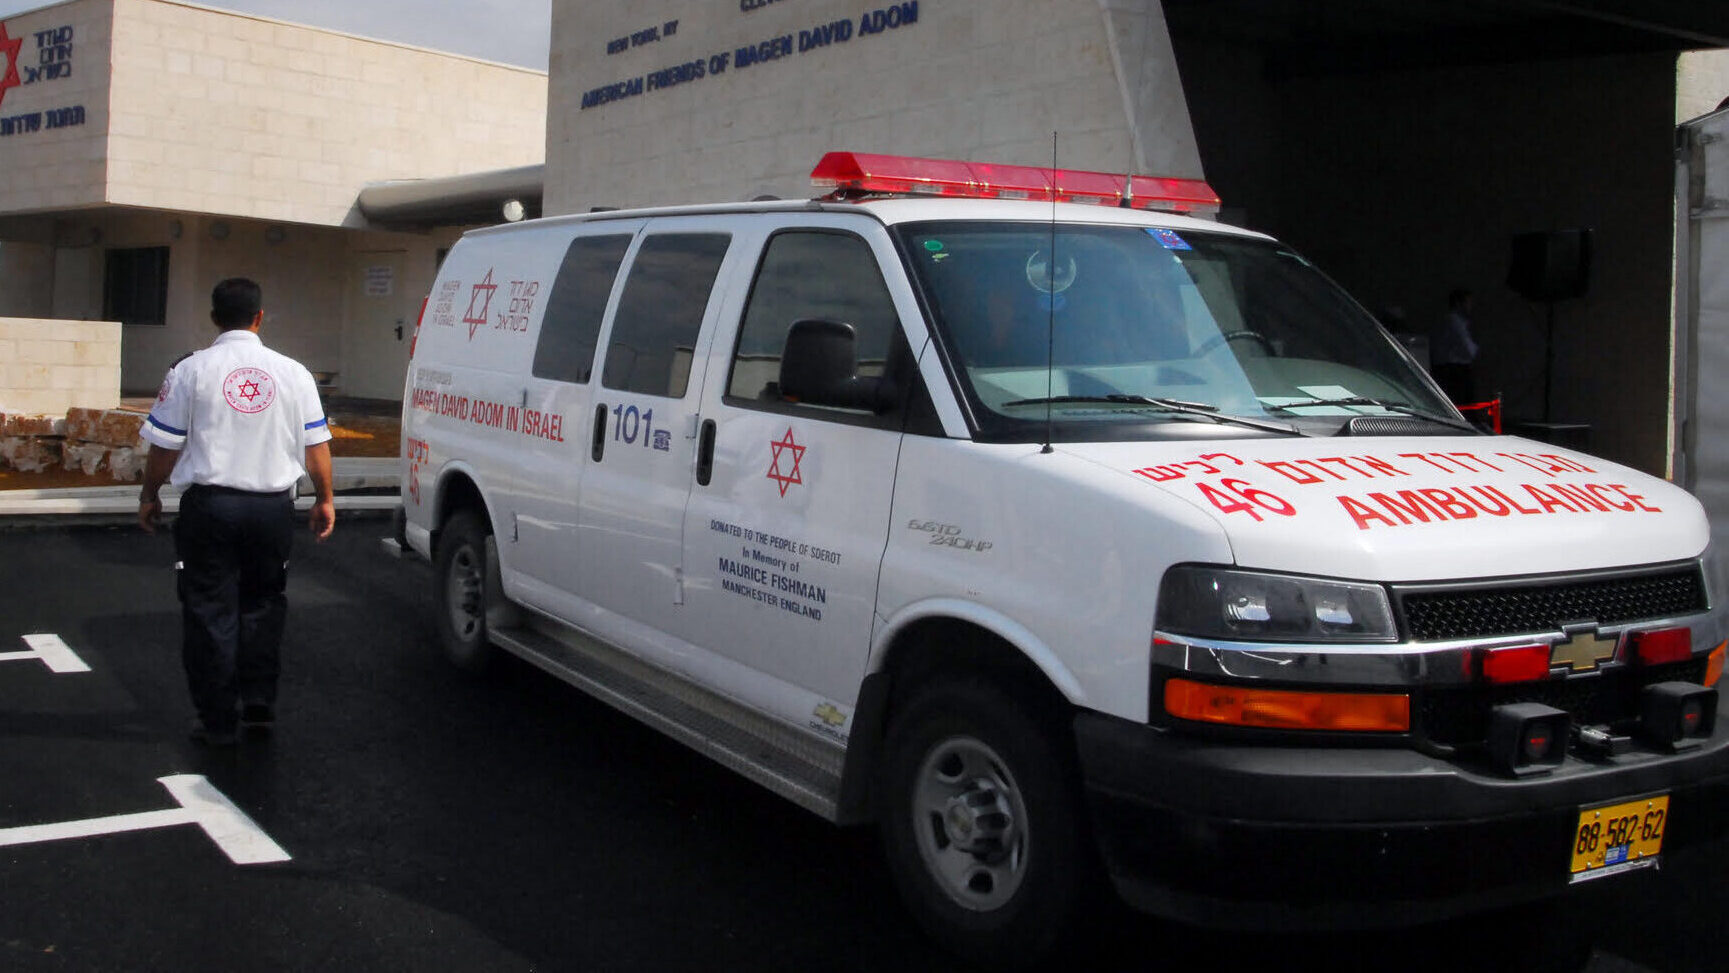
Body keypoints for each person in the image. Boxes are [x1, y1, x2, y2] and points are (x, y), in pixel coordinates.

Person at [138, 278, 336, 747]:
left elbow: (164, 447)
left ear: (213, 317)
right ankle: (260, 705)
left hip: (211, 508)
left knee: (209, 609)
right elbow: (317, 444)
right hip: (271, 509)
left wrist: (149, 493)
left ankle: (217, 720)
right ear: (259, 316)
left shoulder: (191, 371)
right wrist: (325, 497)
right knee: (264, 604)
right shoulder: (293, 372)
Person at [1429, 287, 1479, 403]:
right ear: (1458, 303)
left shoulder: (1453, 322)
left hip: (1447, 370)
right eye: (1468, 302)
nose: (1470, 306)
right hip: (1455, 372)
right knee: (1461, 404)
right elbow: (1469, 350)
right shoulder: (1455, 322)